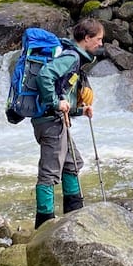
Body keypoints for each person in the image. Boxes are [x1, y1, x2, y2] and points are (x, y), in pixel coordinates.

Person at [31, 17, 103, 228]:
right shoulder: (71, 57)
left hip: (57, 121)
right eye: (98, 39)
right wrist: (55, 103)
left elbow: (62, 93)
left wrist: (80, 110)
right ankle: (43, 225)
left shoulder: (74, 58)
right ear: (87, 38)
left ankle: (74, 216)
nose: (100, 43)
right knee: (49, 173)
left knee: (73, 163)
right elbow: (45, 76)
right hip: (50, 122)